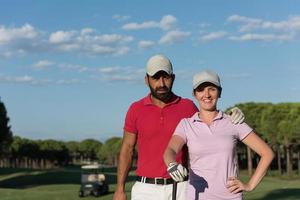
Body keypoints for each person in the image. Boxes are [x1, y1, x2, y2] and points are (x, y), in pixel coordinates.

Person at [113, 55, 245, 200]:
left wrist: (229, 116)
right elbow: (127, 149)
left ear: (173, 78)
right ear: (146, 80)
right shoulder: (136, 109)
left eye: (166, 77)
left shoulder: (187, 106)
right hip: (145, 189)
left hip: (182, 187)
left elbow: (209, 123)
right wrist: (120, 189)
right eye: (156, 78)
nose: (161, 83)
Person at [163, 70, 274, 200]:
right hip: (197, 196)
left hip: (230, 197)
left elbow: (267, 153)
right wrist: (172, 164)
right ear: (194, 94)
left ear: (219, 92)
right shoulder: (186, 124)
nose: (207, 94)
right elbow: (170, 150)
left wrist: (249, 185)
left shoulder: (233, 121)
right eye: (201, 90)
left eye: (212, 89)